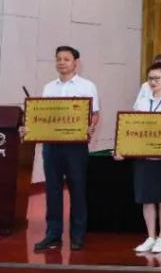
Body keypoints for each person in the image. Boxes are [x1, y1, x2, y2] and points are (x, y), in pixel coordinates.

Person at [31, 45, 100, 252]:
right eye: (58, 59)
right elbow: (43, 116)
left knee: (77, 189)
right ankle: (53, 234)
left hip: (75, 146)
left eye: (66, 59)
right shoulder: (48, 87)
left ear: (75, 63)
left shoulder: (87, 86)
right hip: (51, 145)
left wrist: (90, 127)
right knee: (52, 190)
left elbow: (94, 114)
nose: (61, 62)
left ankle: (77, 235)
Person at [117, 62, 161, 254]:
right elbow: (132, 126)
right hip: (143, 155)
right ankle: (150, 236)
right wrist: (124, 148)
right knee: (146, 198)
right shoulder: (142, 101)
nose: (153, 82)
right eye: (150, 79)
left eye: (157, 78)